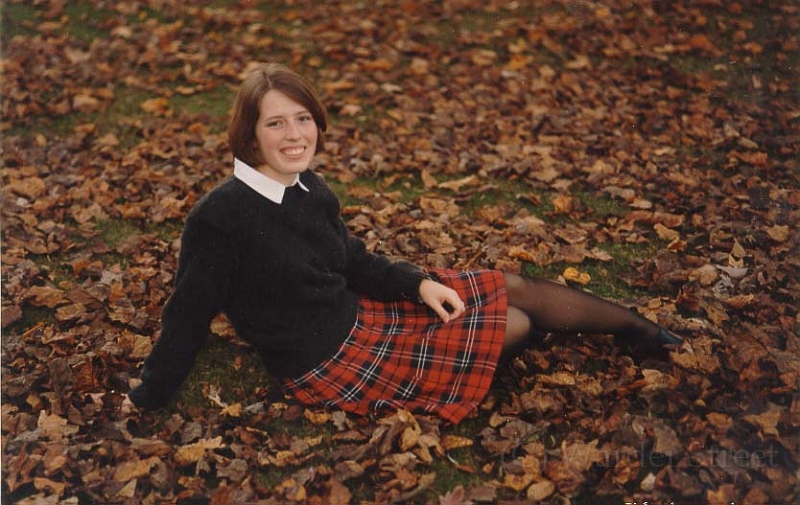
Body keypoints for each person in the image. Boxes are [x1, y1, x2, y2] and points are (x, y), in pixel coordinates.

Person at [125, 62, 682, 424]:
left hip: (359, 313)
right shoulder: (219, 219)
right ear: (249, 134)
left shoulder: (308, 187)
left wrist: (418, 284)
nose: (295, 135)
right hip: (326, 359)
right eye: (276, 124)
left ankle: (643, 332)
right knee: (515, 324)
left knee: (510, 286)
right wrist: (149, 395)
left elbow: (352, 260)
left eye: (303, 119)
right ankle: (495, 351)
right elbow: (187, 315)